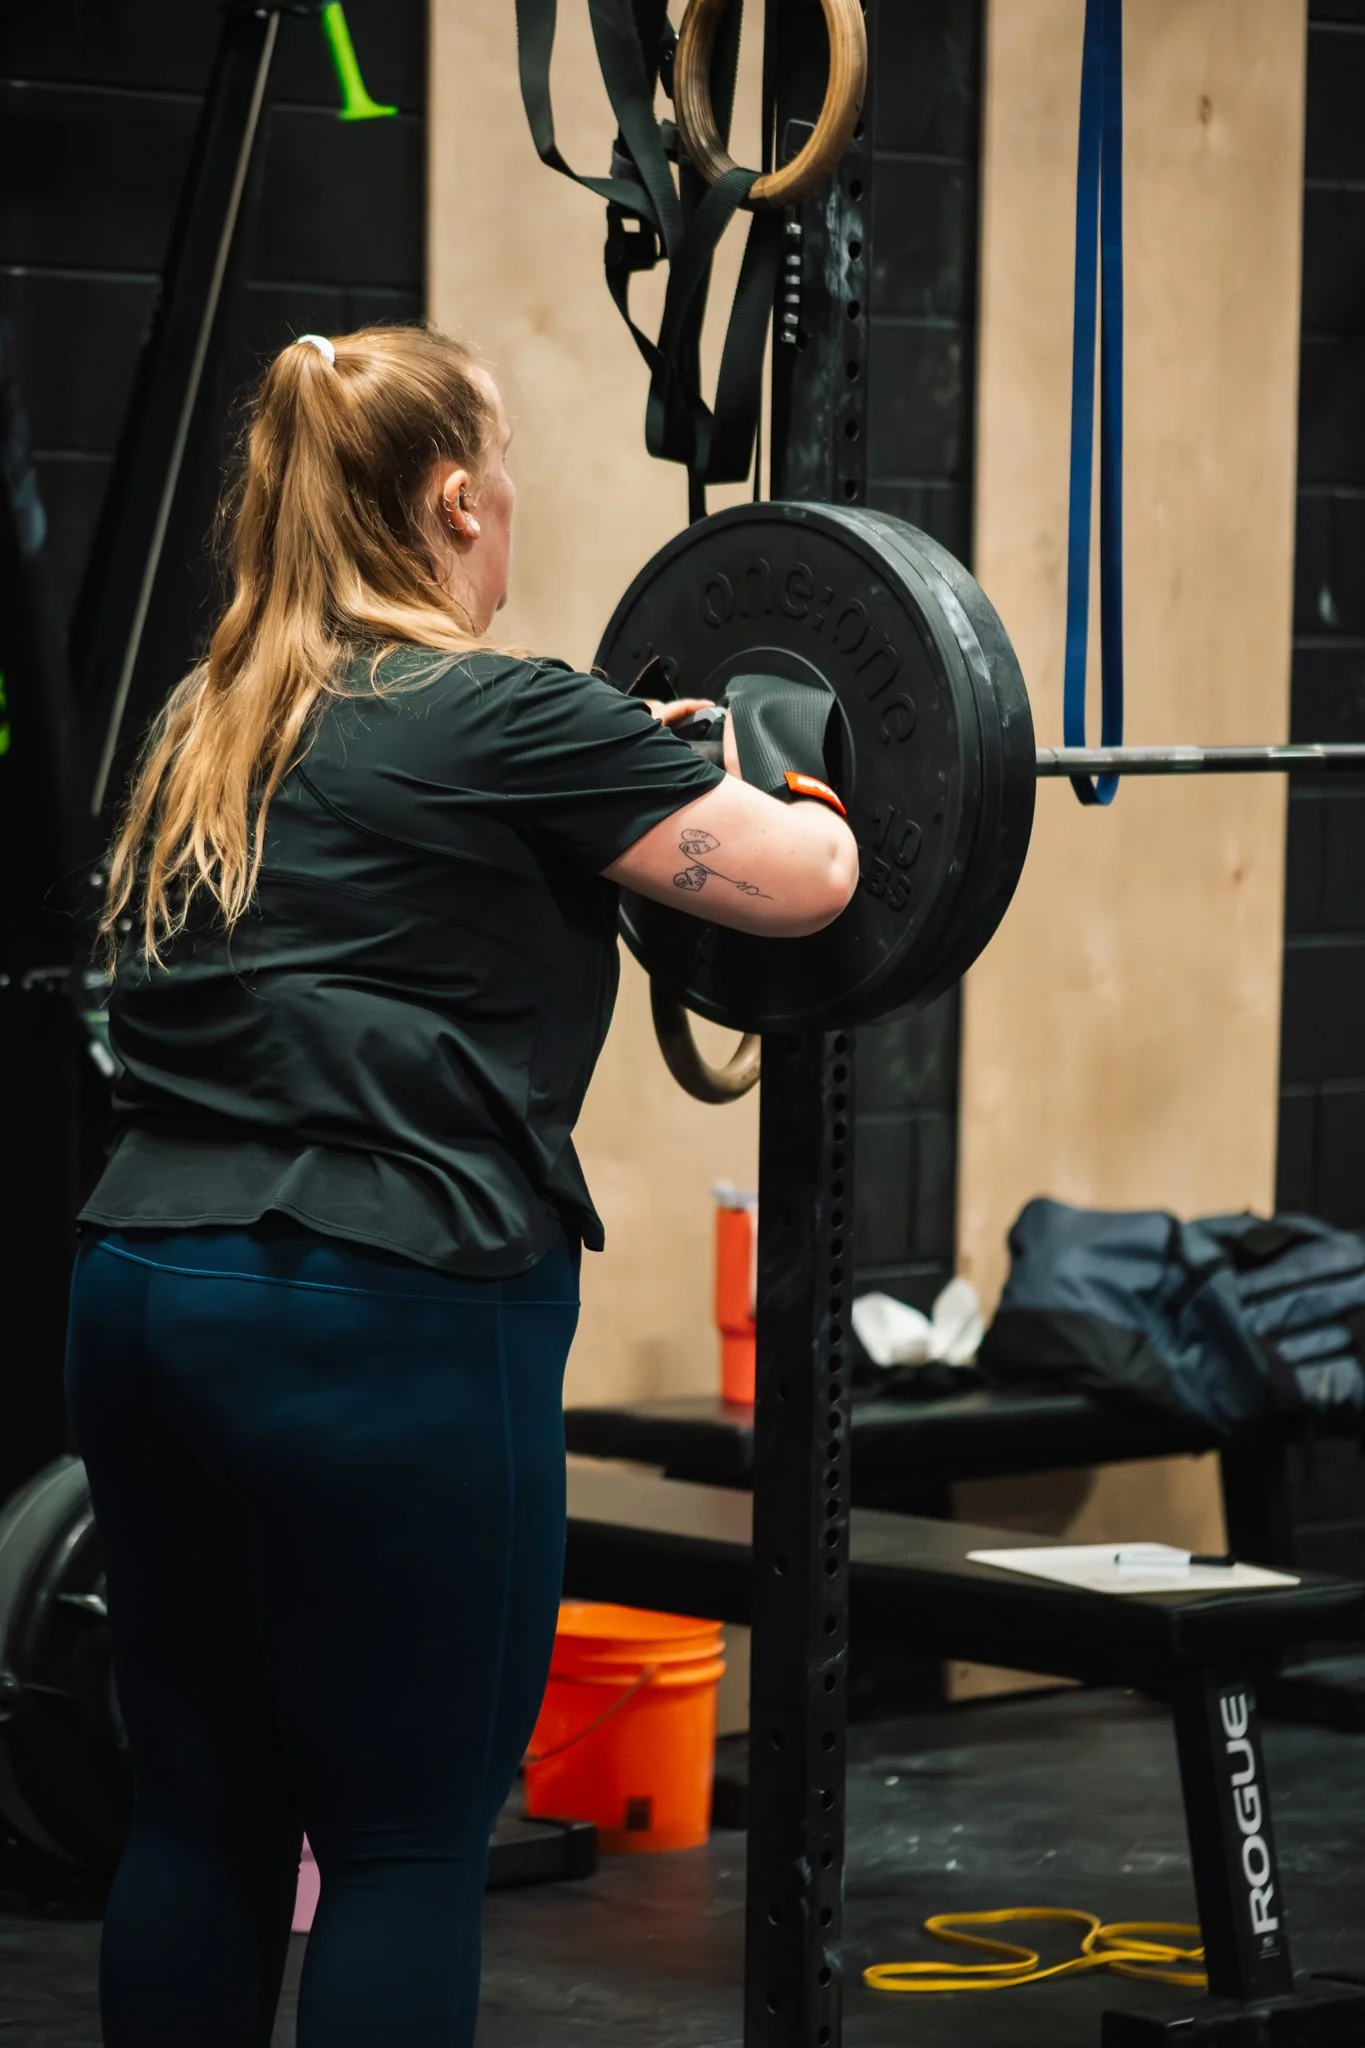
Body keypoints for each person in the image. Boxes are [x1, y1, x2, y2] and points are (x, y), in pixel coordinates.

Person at [65, 323, 859, 2048]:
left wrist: (625, 765)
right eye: (499, 482)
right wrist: (773, 762)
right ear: (447, 500)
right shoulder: (507, 712)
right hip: (384, 1313)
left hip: (142, 1290)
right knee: (408, 1841)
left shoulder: (213, 716)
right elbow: (807, 881)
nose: (509, 513)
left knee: (202, 1815)